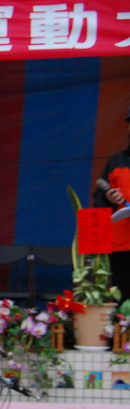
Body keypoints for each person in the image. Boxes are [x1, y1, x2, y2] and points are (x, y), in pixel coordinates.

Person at [93, 106, 130, 302]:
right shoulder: (117, 161)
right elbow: (98, 200)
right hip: (122, 243)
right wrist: (108, 198)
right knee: (121, 297)